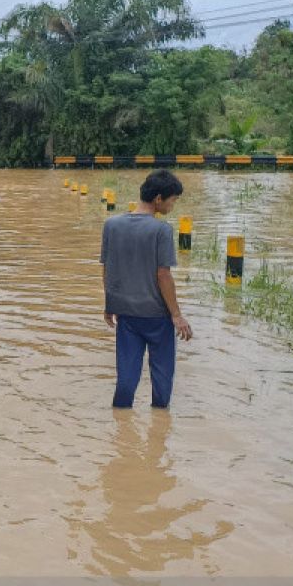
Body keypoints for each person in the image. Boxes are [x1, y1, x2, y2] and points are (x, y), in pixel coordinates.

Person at [101, 169, 193, 409]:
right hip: (157, 317)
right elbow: (163, 275)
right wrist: (176, 314)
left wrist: (108, 306)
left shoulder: (111, 225)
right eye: (172, 200)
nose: (173, 206)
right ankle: (160, 426)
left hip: (126, 315)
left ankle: (121, 427)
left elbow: (107, 270)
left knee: (126, 378)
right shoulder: (162, 231)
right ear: (158, 199)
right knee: (162, 379)